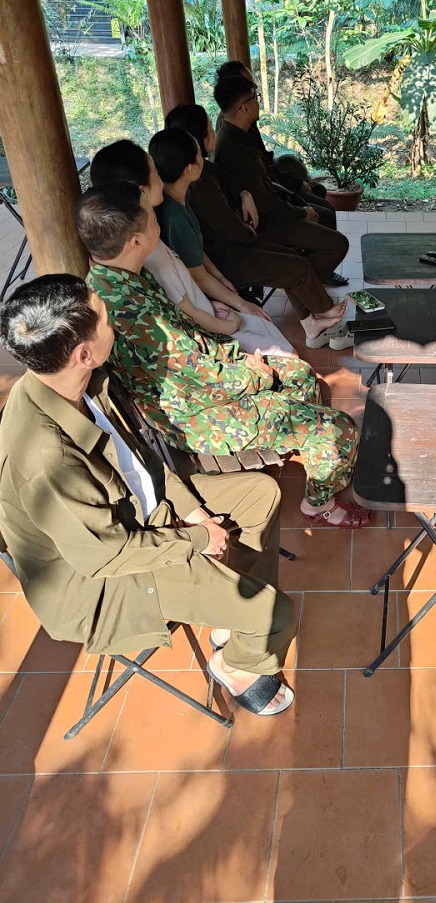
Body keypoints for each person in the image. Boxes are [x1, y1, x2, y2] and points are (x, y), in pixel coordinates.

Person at [0, 274, 297, 716]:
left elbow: (141, 460)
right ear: (83, 353)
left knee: (260, 493)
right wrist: (198, 539)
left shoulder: (86, 381)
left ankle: (230, 618)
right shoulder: (47, 456)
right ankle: (238, 664)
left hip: (141, 511)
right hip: (106, 580)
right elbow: (106, 555)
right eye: (105, 318)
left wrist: (191, 511)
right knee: (276, 615)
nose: (113, 323)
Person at [76, 185, 372, 529]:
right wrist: (254, 373)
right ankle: (318, 504)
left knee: (300, 375)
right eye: (152, 217)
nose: (158, 219)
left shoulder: (116, 278)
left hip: (199, 388)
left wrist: (237, 357)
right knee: (338, 429)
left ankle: (298, 442)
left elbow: (188, 347)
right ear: (136, 242)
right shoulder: (132, 310)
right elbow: (199, 378)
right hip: (195, 416)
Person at [90, 140, 293, 356]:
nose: (161, 178)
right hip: (209, 333)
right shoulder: (147, 251)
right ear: (142, 192)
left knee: (270, 331)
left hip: (209, 314)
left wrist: (215, 301)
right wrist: (231, 319)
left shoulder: (149, 236)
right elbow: (188, 310)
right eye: (155, 173)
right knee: (285, 352)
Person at [214, 60, 343, 249]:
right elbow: (263, 200)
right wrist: (301, 211)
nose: (256, 91)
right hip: (265, 218)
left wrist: (296, 190)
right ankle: (306, 262)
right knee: (330, 225)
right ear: (241, 103)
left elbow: (265, 171)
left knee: (321, 203)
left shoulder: (239, 129)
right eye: (253, 93)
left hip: (272, 195)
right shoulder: (233, 144)